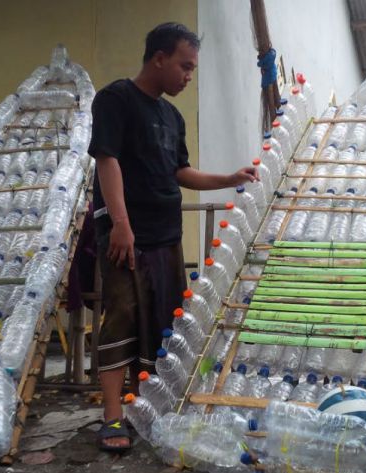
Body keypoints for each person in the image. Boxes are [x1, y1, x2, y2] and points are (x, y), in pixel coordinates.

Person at [87, 22, 257, 451]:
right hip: (125, 233)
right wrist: (121, 224)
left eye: (193, 69)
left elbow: (180, 172)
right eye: (184, 66)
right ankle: (111, 418)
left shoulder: (171, 116)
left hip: (166, 235)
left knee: (163, 323)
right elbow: (107, 161)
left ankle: (147, 409)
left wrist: (229, 177)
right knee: (122, 314)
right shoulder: (115, 100)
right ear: (159, 58)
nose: (188, 75)